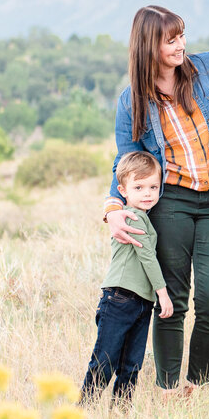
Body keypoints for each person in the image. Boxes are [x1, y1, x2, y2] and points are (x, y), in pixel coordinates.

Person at [104, 5, 209, 394]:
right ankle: (168, 390)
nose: (182, 44)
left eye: (182, 35)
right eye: (171, 39)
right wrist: (114, 206)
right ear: (149, 45)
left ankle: (197, 385)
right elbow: (126, 161)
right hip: (171, 203)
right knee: (172, 301)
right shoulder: (132, 101)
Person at [82, 152, 174, 404]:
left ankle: (121, 416)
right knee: (105, 360)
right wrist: (163, 294)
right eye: (139, 187)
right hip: (120, 299)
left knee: (131, 365)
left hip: (140, 302)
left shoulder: (143, 217)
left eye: (153, 187)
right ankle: (82, 411)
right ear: (122, 190)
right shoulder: (130, 217)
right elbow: (147, 258)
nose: (147, 193)